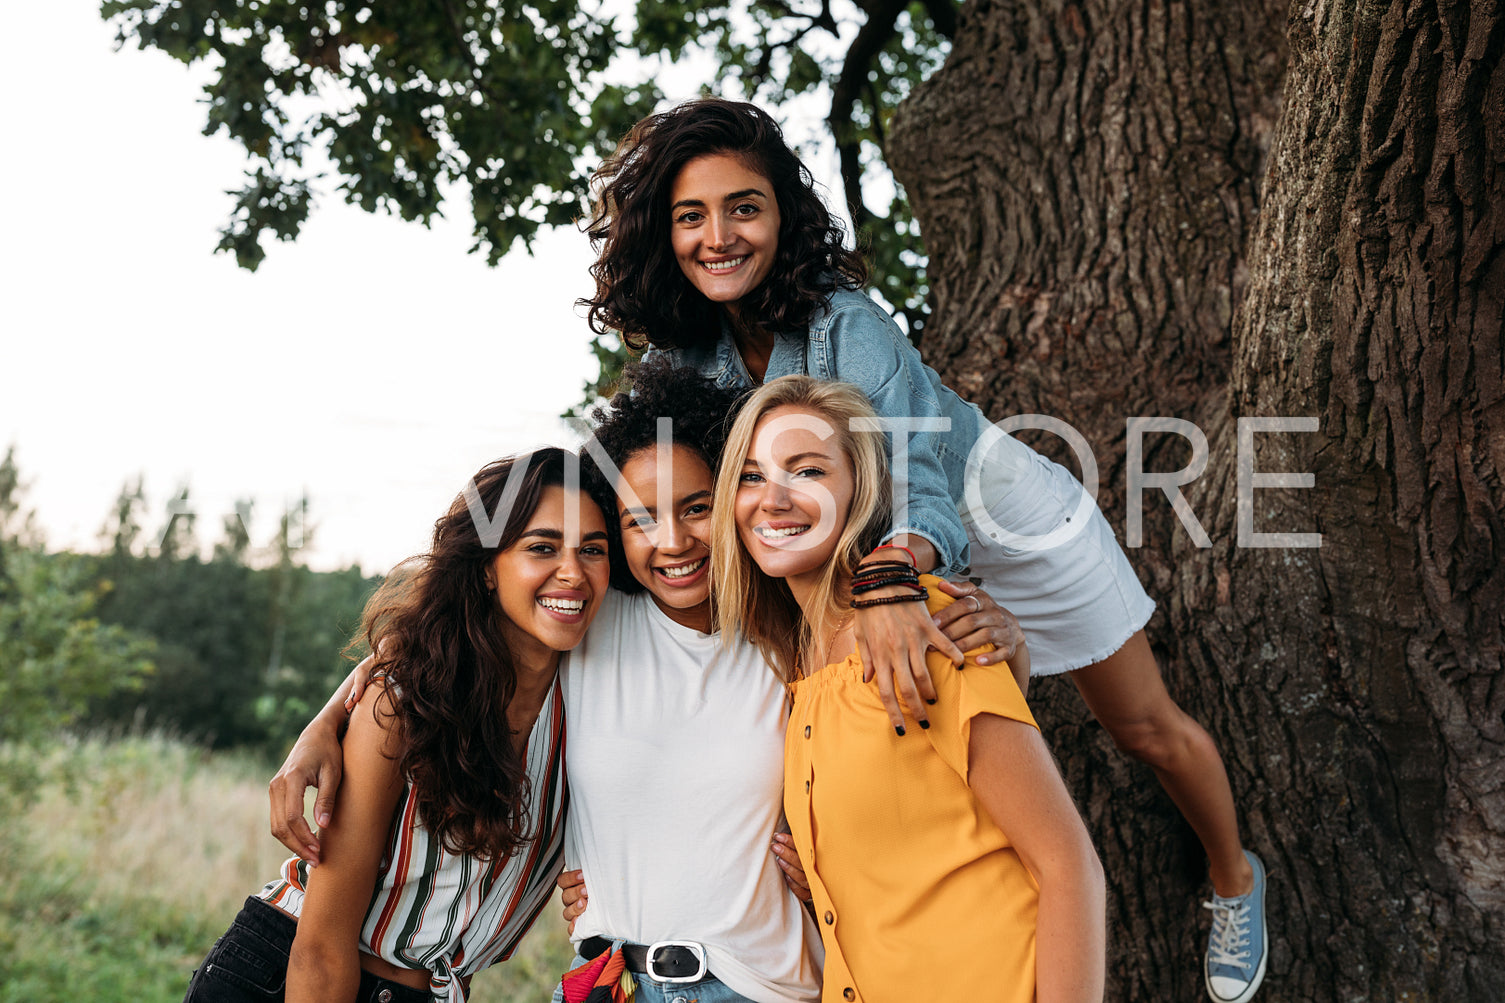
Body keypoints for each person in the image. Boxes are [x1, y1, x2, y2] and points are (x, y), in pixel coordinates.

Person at [583, 97, 1268, 1003]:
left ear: (781, 213)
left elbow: (919, 488)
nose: (719, 235)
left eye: (743, 207)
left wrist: (897, 578)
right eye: (690, 215)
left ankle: (1232, 877)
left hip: (988, 508)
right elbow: (655, 501)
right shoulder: (691, 357)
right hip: (847, 530)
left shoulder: (848, 326)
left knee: (1141, 723)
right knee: (879, 714)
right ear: (661, 235)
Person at [267, 361, 1024, 1003]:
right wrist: (329, 720)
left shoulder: (793, 634)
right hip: (614, 981)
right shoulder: (596, 617)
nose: (672, 540)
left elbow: (928, 742)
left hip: (763, 986)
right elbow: (452, 635)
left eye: (696, 507)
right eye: (637, 519)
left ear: (734, 501)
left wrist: (1007, 647)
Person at [711, 374, 1105, 1002]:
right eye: (752, 476)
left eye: (808, 471)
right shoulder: (791, 670)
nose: (772, 499)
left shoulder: (925, 625)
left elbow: (1067, 865)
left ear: (859, 492)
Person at [185, 449, 612, 1003]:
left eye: (593, 551)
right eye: (541, 547)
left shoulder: (594, 707)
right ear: (486, 566)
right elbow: (321, 948)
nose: (573, 573)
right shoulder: (404, 704)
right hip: (295, 976)